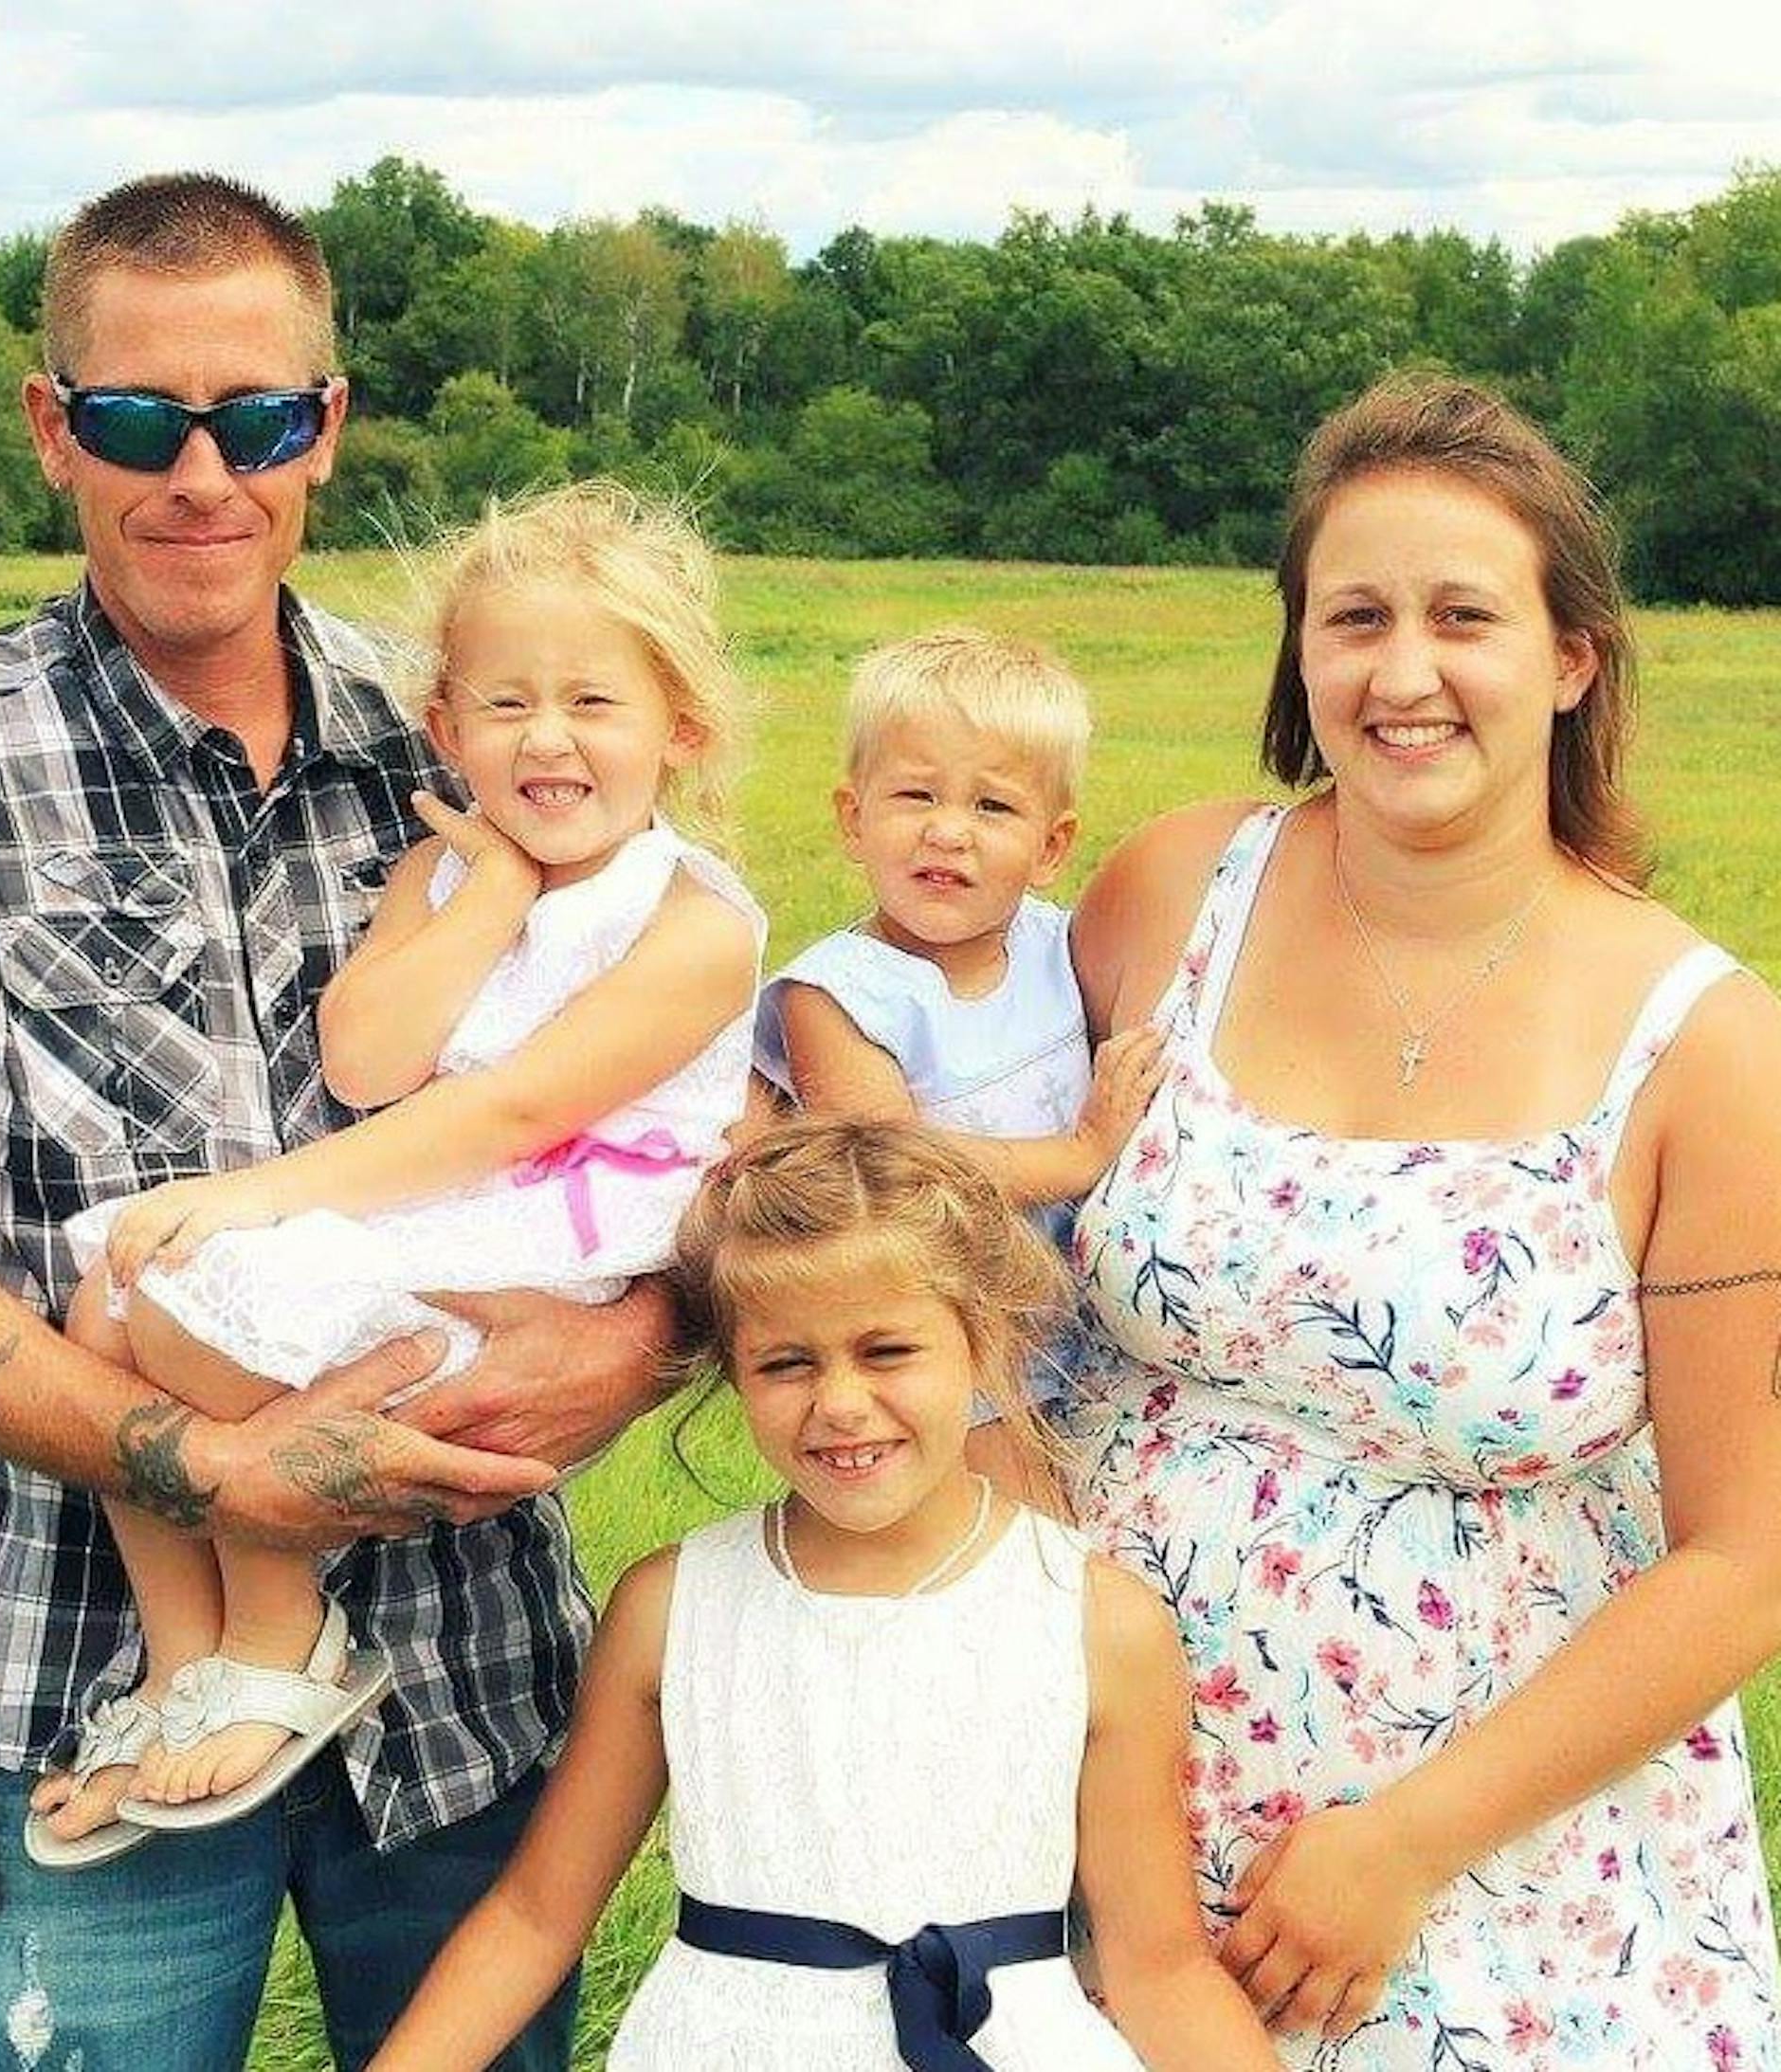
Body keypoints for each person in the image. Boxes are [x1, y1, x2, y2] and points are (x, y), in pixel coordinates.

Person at [0, 173, 673, 2072]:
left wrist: (637, 1345)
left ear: (322, 425)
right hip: (101, 1681)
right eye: (133, 417)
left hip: (469, 1682)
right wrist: (216, 1473)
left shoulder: (473, 738)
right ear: (49, 425)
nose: (198, 476)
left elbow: (686, 1110)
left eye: (252, 419)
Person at [1065, 373, 1781, 2065]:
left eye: (1464, 617)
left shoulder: (1710, 1048)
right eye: (1355, 617)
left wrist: (1404, 1845)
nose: (1402, 674)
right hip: (1102, 1815)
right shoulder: (1171, 894)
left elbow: (1747, 1555)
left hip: (1490, 1873)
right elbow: (951, 1208)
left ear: (1572, 658)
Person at [32, 480, 762, 1849]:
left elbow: (508, 1116)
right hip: (426, 1190)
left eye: (594, 702)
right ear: (445, 726)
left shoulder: (694, 922)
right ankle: (184, 1661)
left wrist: (243, 1198)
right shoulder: (443, 873)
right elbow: (366, 1060)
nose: (547, 737)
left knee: (181, 1312)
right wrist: (490, 895)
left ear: (682, 727)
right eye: (506, 703)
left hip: (547, 1237)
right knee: (99, 1308)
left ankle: (283, 1632)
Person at [368, 1117, 1281, 2072]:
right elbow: (535, 1916)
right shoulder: (673, 1609)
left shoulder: (1092, 1617)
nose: (840, 1402)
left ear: (984, 1342)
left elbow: (1160, 1970)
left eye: (887, 1351)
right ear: (734, 1373)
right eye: (787, 1362)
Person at [753, 627, 1163, 1491]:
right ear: (853, 818)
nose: (947, 832)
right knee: (1032, 1547)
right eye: (915, 795)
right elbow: (892, 1169)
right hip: (959, 1361)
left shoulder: (1062, 946)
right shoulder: (837, 994)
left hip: (1092, 1335)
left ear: (1052, 848)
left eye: (993, 808)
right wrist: (1082, 1154)